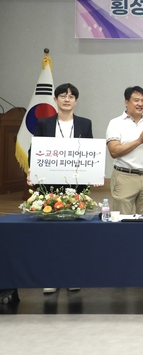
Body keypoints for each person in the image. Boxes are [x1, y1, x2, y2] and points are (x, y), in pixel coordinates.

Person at [29, 83, 93, 295]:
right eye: (63, 96)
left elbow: (90, 153)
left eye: (71, 96)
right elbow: (34, 150)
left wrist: (94, 173)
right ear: (55, 100)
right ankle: (50, 278)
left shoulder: (85, 124)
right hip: (49, 184)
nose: (67, 99)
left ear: (76, 100)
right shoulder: (44, 123)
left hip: (76, 185)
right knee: (50, 234)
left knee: (75, 234)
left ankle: (72, 276)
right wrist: (31, 171)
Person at [106, 86, 143, 215]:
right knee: (122, 218)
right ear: (126, 102)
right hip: (124, 176)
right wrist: (139, 141)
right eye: (136, 100)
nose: (140, 104)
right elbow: (114, 151)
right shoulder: (115, 123)